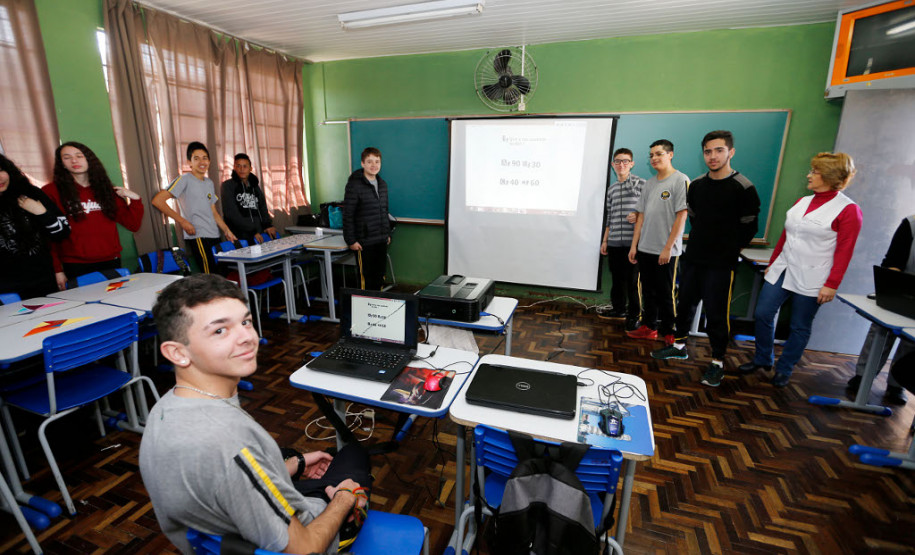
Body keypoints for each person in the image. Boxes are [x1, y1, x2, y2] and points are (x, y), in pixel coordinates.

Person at [140, 274, 371, 554]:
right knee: (354, 455)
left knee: (303, 453)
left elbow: (233, 480)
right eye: (220, 331)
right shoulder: (229, 441)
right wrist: (345, 499)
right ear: (177, 353)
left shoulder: (164, 409)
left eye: (245, 321)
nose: (248, 338)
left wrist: (293, 464)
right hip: (311, 535)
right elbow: (305, 549)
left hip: (232, 533)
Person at [739, 152, 862, 387]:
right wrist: (773, 264)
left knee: (799, 325)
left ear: (830, 176)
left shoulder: (848, 210)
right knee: (763, 313)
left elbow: (845, 251)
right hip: (784, 267)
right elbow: (786, 235)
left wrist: (832, 284)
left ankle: (785, 368)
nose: (809, 175)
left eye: (814, 172)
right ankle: (763, 358)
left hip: (815, 275)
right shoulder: (802, 202)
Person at [650, 131, 761, 387]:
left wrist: (728, 249)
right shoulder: (698, 185)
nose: (713, 156)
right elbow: (696, 217)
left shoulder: (744, 187)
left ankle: (717, 363)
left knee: (716, 314)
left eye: (719, 150)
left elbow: (749, 227)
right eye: (708, 151)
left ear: (730, 152)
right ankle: (679, 346)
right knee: (685, 303)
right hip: (695, 258)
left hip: (721, 264)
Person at [44, 142, 144, 288]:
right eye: (67, 157)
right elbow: (48, 236)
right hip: (74, 265)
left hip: (111, 261)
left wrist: (135, 200)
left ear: (89, 160)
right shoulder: (51, 192)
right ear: (62, 164)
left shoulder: (107, 190)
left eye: (79, 156)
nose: (74, 161)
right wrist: (57, 270)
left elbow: (133, 225)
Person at [846, 215, 915, 405]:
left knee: (911, 342)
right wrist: (894, 288)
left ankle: (896, 385)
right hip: (900, 290)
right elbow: (893, 259)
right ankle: (862, 376)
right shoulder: (911, 224)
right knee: (880, 330)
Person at [626, 139, 689, 342]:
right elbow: (640, 216)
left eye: (659, 154)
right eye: (651, 155)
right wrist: (634, 245)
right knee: (649, 292)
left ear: (670, 155)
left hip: (666, 251)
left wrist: (667, 248)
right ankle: (649, 327)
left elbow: (682, 216)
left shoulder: (680, 180)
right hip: (645, 249)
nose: (654, 158)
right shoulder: (649, 183)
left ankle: (670, 334)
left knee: (666, 293)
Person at [152, 142, 236, 274]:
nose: (202, 162)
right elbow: (158, 200)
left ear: (209, 161)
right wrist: (183, 221)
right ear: (189, 162)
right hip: (198, 236)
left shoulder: (209, 183)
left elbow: (213, 211)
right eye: (196, 158)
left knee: (222, 274)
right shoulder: (184, 179)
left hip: (214, 234)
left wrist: (226, 230)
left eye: (205, 158)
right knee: (210, 276)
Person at [0, 154, 70, 298]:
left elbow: (63, 232)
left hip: (43, 280)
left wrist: (42, 213)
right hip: (5, 290)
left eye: (1, 170)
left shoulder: (31, 193)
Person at [600, 147, 645, 332]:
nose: (621, 165)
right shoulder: (611, 190)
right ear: (613, 165)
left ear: (632, 164)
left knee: (632, 282)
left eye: (625, 161)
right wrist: (605, 241)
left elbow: (651, 211)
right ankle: (619, 309)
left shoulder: (641, 184)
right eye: (618, 161)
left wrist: (638, 214)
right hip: (614, 244)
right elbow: (609, 217)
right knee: (617, 280)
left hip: (634, 243)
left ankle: (634, 315)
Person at [343, 147, 391, 291]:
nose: (374, 165)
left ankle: (377, 306)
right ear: (363, 164)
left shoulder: (383, 185)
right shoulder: (354, 185)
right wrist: (351, 240)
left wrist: (386, 233)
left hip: (381, 239)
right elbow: (348, 215)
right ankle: (365, 309)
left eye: (377, 161)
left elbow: (384, 211)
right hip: (364, 241)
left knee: (380, 275)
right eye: (369, 161)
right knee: (366, 278)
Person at [220, 153, 276, 245]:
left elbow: (262, 208)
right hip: (240, 235)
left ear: (250, 168)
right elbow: (232, 214)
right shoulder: (227, 186)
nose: (242, 169)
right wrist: (251, 232)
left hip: (259, 233)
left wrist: (268, 225)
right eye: (238, 166)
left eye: (245, 166)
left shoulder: (255, 187)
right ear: (234, 167)